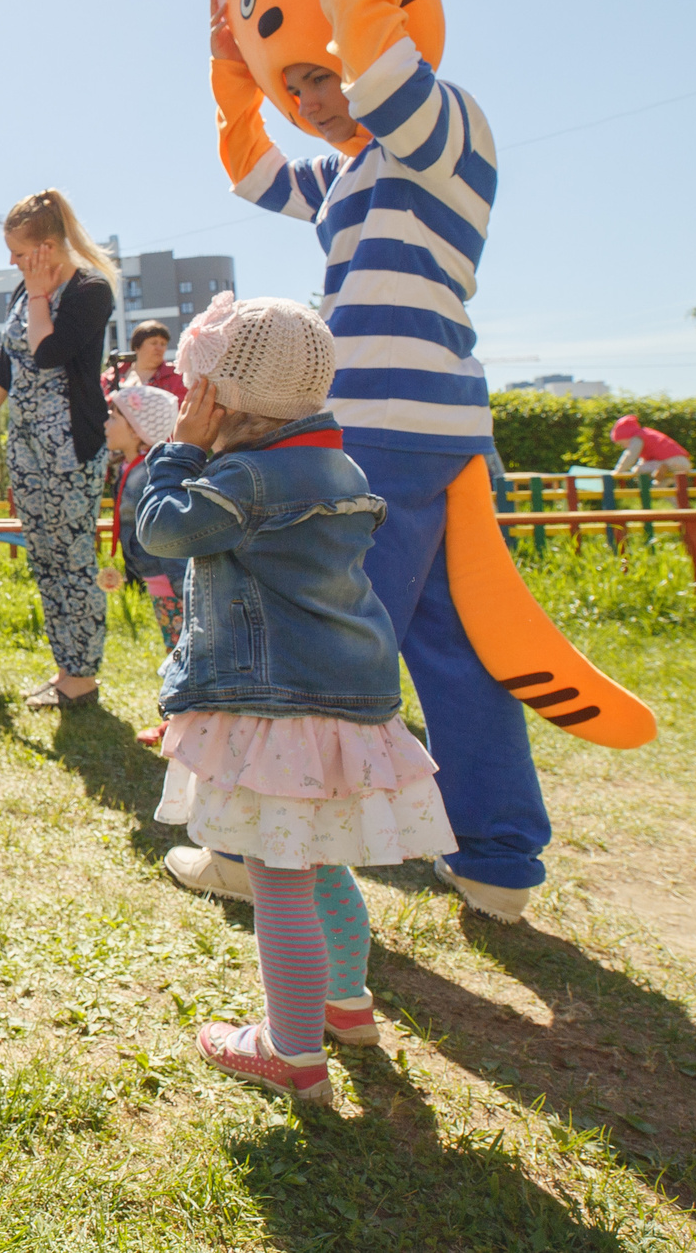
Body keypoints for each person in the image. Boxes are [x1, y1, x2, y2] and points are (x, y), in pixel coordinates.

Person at [193, 0, 657, 924]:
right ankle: (495, 862)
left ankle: (265, 846)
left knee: (317, 628)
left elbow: (390, 84)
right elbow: (255, 180)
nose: (317, 94)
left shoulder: (448, 126)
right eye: (298, 82)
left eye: (327, 72)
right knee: (460, 643)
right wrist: (234, 77)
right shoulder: (353, 177)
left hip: (390, 436)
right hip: (434, 432)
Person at [136, 296, 456, 1105]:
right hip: (344, 701)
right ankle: (346, 1005)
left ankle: (291, 1050)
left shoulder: (243, 476)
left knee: (279, 878)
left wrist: (178, 452)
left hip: (279, 705)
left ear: (225, 398)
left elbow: (163, 532)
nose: (189, 400)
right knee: (320, 862)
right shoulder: (337, 465)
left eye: (198, 388)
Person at [0, 189, 121, 708]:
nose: (13, 261)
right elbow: (8, 365)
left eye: (20, 251)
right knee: (46, 560)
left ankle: (83, 679)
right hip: (26, 444)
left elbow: (47, 355)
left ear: (47, 246)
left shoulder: (90, 290)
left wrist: (41, 292)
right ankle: (66, 668)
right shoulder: (25, 291)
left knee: (71, 558)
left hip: (70, 444)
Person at [102, 383, 186, 751]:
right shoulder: (135, 469)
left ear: (137, 429)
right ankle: (182, 722)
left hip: (173, 585)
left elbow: (169, 536)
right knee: (177, 652)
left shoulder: (147, 474)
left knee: (181, 655)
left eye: (114, 416)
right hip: (162, 581)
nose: (106, 424)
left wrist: (185, 589)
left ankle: (183, 724)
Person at [107, 320, 188, 402]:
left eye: (163, 344)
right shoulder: (111, 376)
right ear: (137, 346)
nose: (159, 348)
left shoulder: (176, 376)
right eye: (154, 343)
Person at [609, 414, 693, 480]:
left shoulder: (637, 438)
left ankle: (660, 466)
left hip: (670, 462)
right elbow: (644, 460)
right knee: (658, 488)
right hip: (683, 464)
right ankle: (682, 503)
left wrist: (618, 471)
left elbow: (630, 455)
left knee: (637, 470)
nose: (623, 446)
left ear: (627, 436)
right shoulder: (647, 434)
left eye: (622, 443)